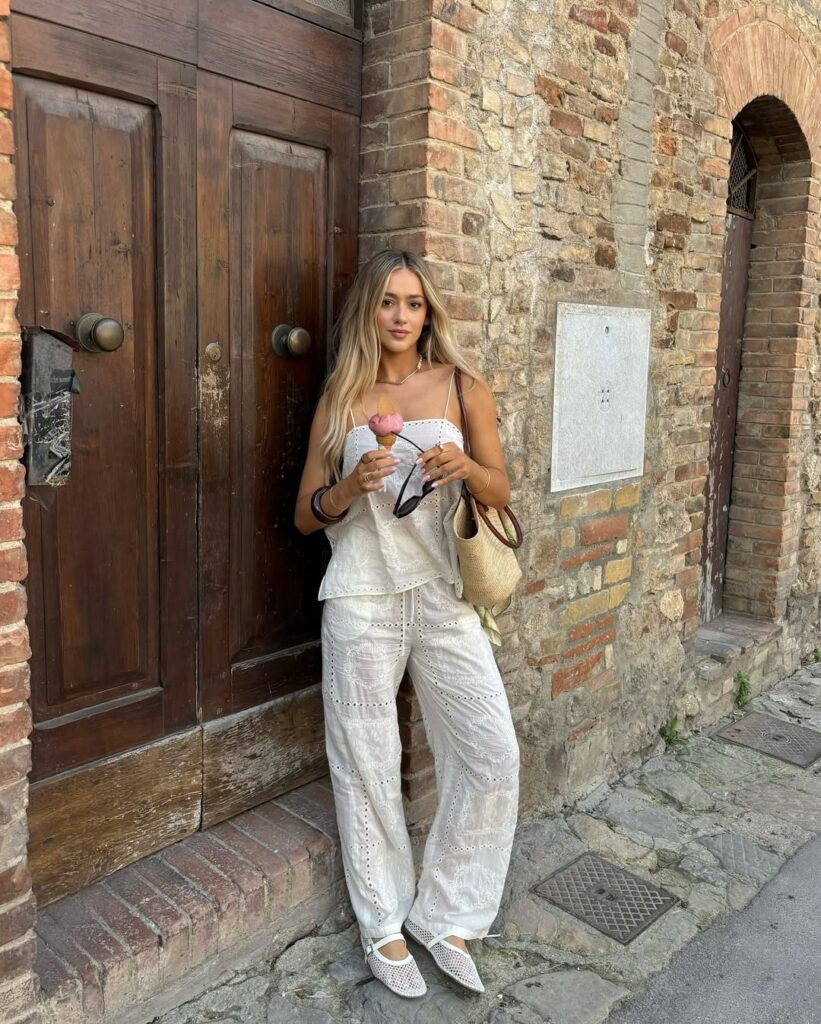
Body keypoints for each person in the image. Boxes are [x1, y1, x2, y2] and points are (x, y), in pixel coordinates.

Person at [294, 249, 520, 999]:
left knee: (491, 752)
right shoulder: (342, 398)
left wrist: (465, 469)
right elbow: (305, 515)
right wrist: (349, 488)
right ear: (370, 309)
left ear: (429, 313)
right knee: (366, 761)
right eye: (388, 301)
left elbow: (500, 488)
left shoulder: (460, 386)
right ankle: (383, 923)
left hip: (441, 595)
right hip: (361, 595)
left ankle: (447, 916)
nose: (401, 316)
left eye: (414, 303)